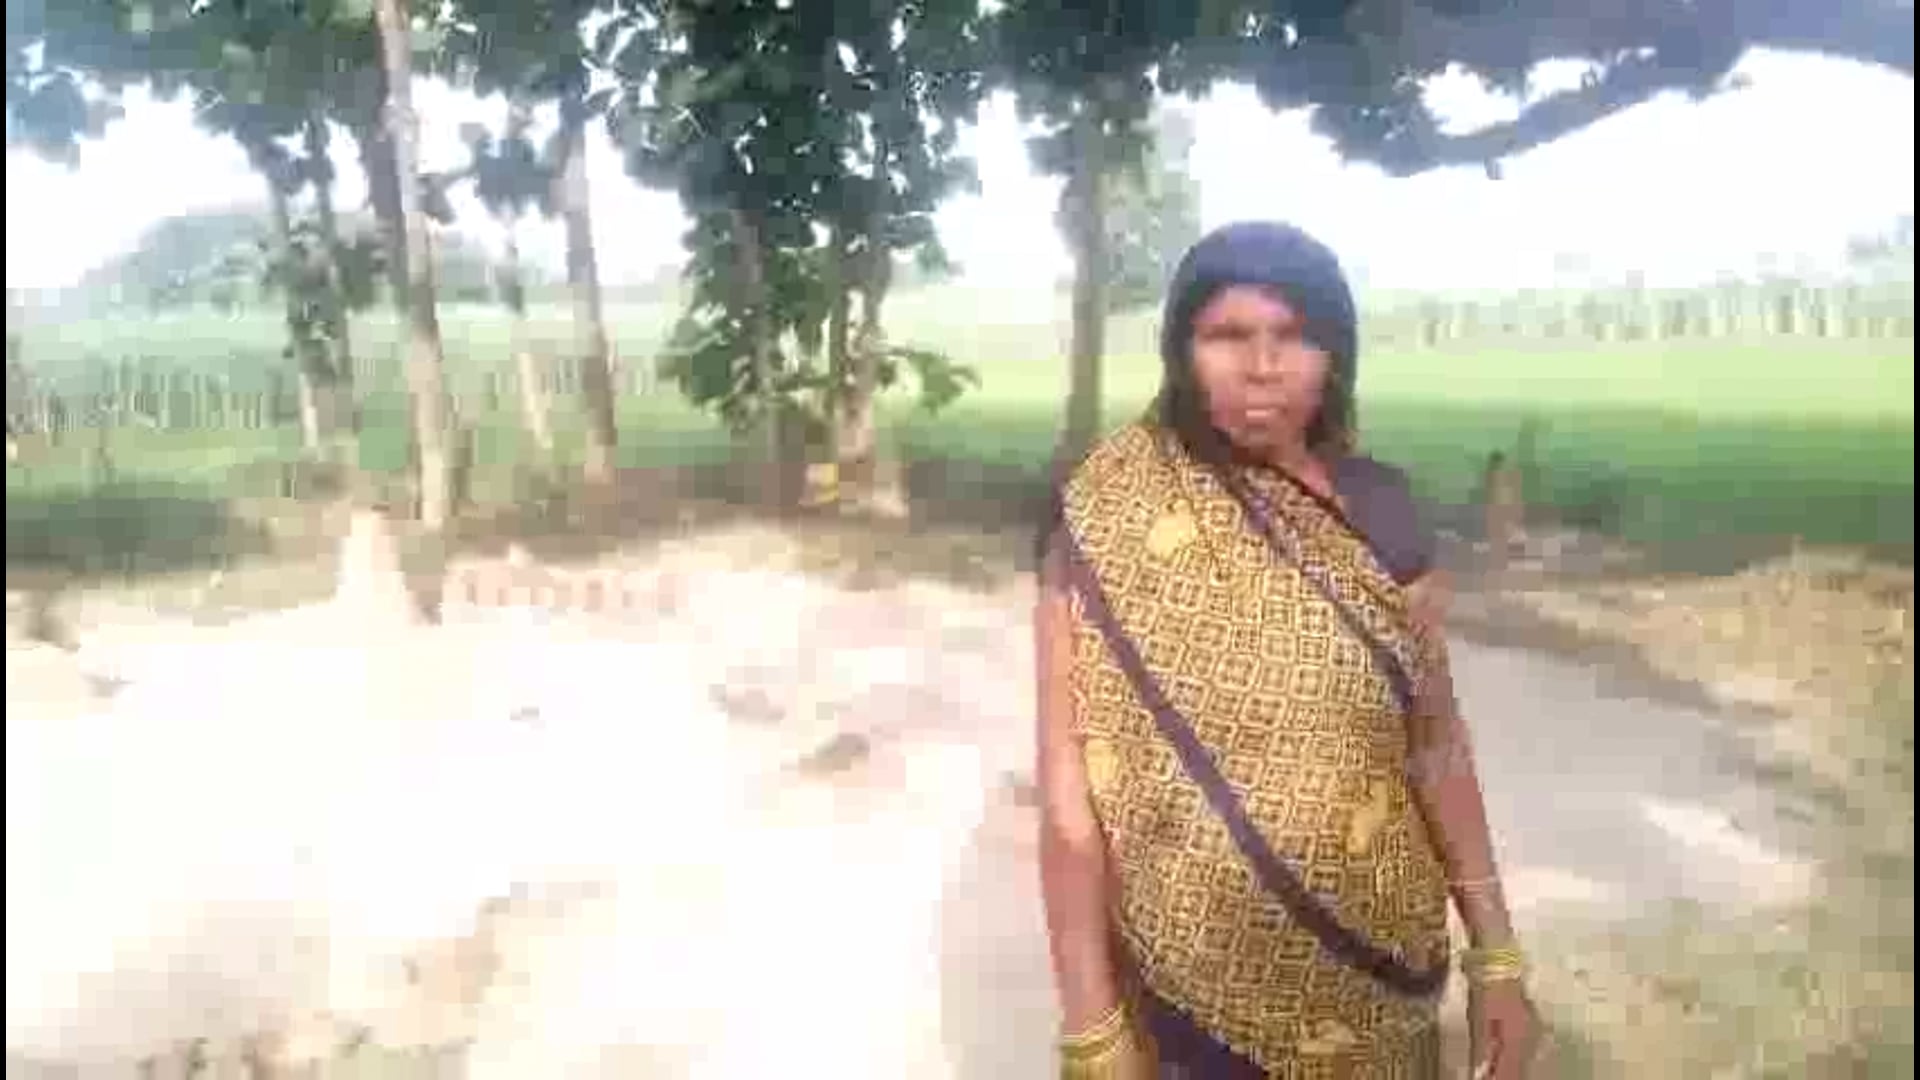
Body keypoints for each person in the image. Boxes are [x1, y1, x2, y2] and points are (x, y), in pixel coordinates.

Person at [1034, 222, 1537, 1078]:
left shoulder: (1384, 514)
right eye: (1227, 335)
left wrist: (1497, 953)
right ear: (1181, 350)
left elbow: (1435, 744)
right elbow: (1066, 781)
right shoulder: (1106, 512)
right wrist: (1090, 1021)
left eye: (1295, 335)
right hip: (1187, 996)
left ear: (1334, 355)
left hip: (1382, 973)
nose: (1262, 366)